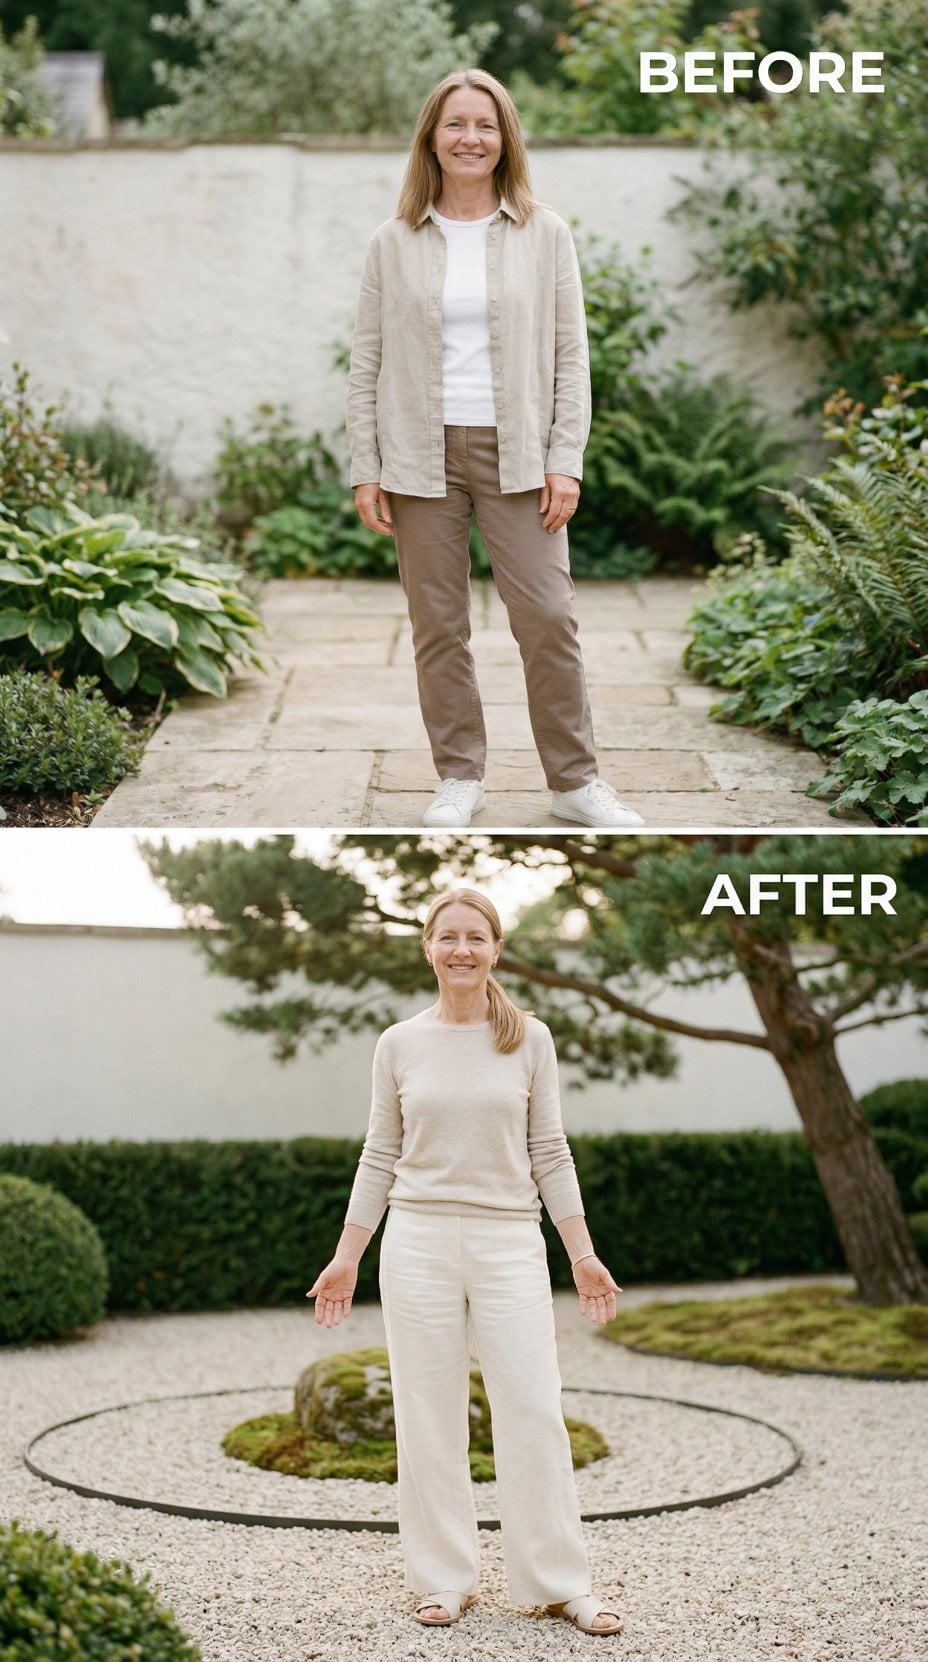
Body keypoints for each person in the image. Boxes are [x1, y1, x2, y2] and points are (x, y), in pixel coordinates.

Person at [307, 888, 624, 1637]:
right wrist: (347, 1255)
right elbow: (380, 1154)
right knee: (428, 1417)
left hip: (509, 1242)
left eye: (474, 937)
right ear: (427, 948)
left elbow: (550, 1151)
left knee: (534, 1409)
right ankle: (445, 1580)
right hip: (415, 1242)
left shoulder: (530, 1039)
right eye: (447, 936)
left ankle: (558, 1584)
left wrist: (582, 1253)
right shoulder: (398, 1043)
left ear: (495, 949)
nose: (460, 949)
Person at [346, 67, 646, 832]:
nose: (470, 138)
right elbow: (367, 360)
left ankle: (575, 782)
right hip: (418, 455)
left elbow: (571, 356)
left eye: (485, 125)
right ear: (432, 140)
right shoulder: (394, 240)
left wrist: (564, 457)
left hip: (519, 453)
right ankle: (458, 775)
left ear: (504, 138)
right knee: (438, 624)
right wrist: (365, 466)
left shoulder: (546, 233)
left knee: (548, 616)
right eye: (456, 125)